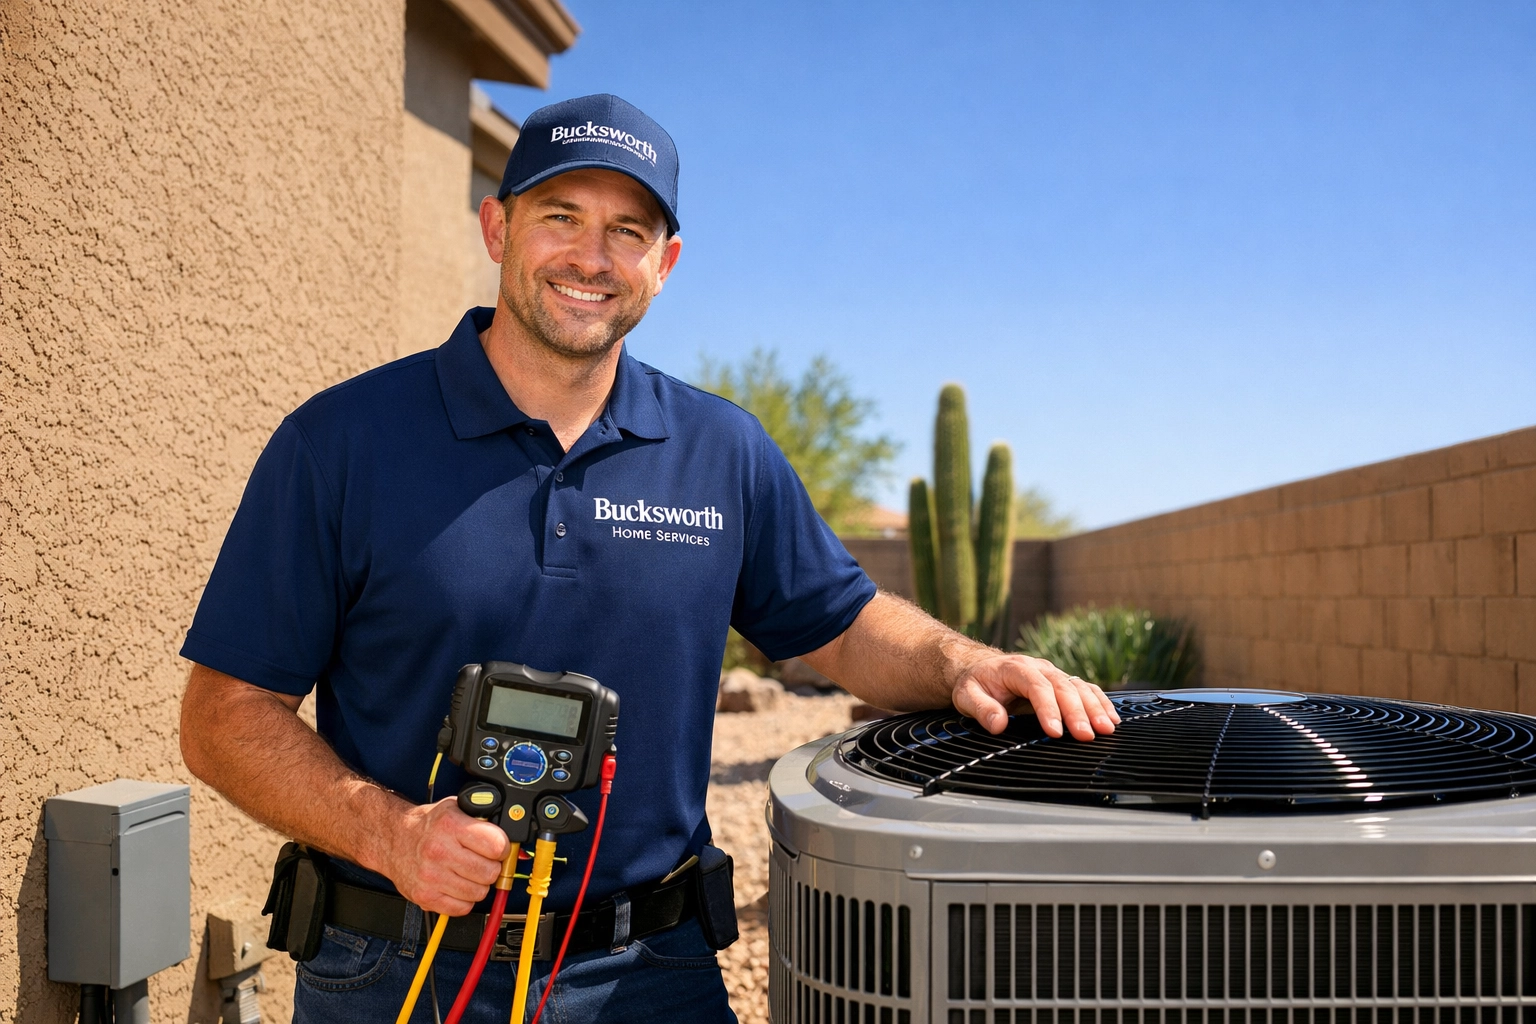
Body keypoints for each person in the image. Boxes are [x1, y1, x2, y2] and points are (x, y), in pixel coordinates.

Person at [178, 93, 1118, 1023]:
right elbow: (224, 717)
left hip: (649, 976)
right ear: (496, 227)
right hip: (391, 971)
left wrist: (965, 665)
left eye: (628, 231)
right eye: (560, 218)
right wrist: (390, 835)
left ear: (664, 265)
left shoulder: (722, 451)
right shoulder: (342, 441)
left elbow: (839, 628)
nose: (592, 258)